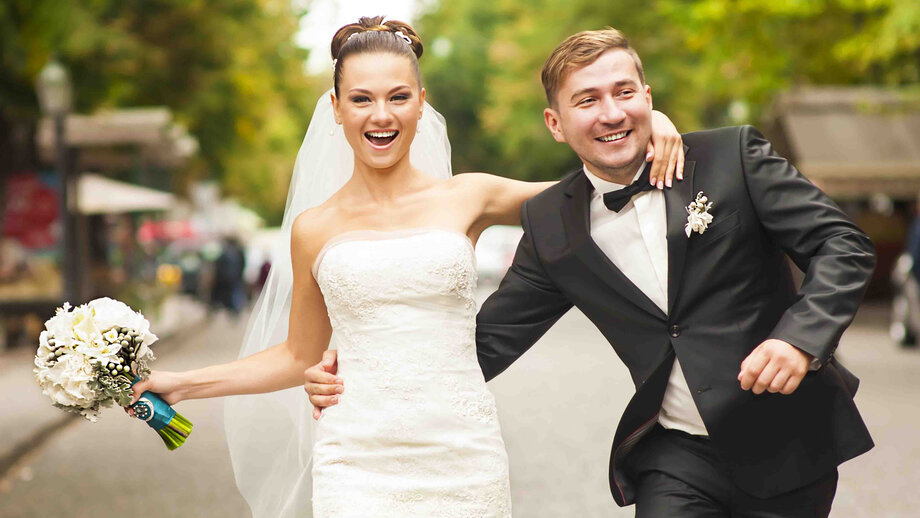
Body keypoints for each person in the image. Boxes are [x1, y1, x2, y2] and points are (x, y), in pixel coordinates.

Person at [306, 27, 876, 518]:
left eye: (623, 93)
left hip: (787, 439)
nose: (610, 112)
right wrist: (362, 372)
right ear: (555, 123)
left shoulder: (732, 159)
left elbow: (842, 243)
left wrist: (800, 340)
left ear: (647, 99)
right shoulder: (554, 224)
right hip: (673, 455)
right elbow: (484, 343)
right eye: (587, 100)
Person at [128, 17, 685, 517]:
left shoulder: (472, 196)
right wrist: (180, 384)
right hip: (356, 460)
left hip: (463, 453)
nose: (381, 115)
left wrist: (650, 124)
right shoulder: (312, 228)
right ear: (336, 107)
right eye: (362, 99)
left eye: (398, 97)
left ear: (422, 102)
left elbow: (599, 190)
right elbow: (299, 354)